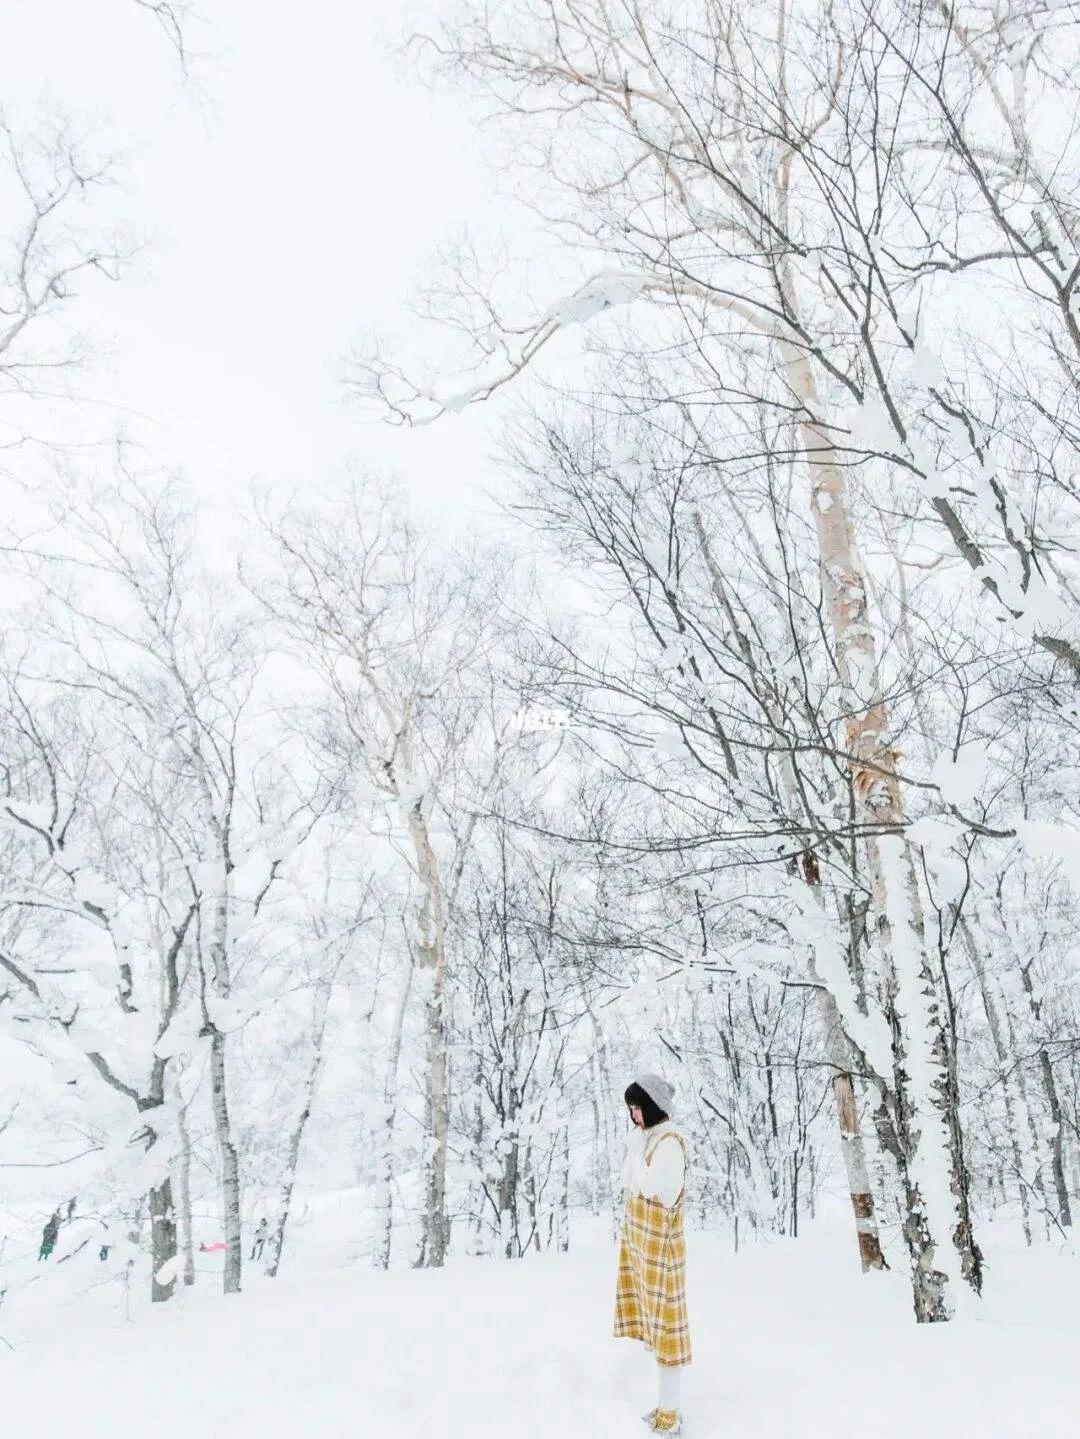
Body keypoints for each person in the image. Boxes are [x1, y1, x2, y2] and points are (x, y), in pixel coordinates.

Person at [613, 1074, 691, 1435]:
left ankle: (670, 1416)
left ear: (654, 1107)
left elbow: (646, 1185)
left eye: (638, 1108)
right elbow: (628, 1182)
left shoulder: (671, 1143)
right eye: (630, 1109)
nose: (634, 1116)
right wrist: (635, 1148)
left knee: (667, 1334)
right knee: (656, 1332)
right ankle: (664, 1406)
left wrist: (633, 1149)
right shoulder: (650, 1140)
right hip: (644, 1250)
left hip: (662, 1251)